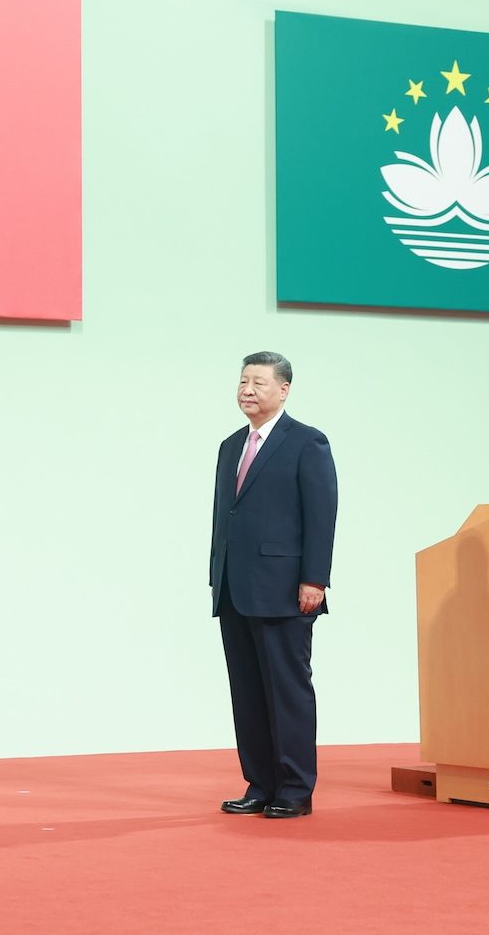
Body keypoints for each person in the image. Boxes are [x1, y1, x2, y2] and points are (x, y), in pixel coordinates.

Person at [208, 351, 338, 818]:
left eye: (259, 383)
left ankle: (295, 790)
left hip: (285, 589)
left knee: (287, 691)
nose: (247, 390)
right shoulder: (229, 446)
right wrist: (215, 573)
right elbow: (227, 518)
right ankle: (260, 783)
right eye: (243, 381)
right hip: (233, 589)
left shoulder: (306, 442)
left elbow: (321, 516)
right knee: (247, 691)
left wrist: (314, 580)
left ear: (283, 390)